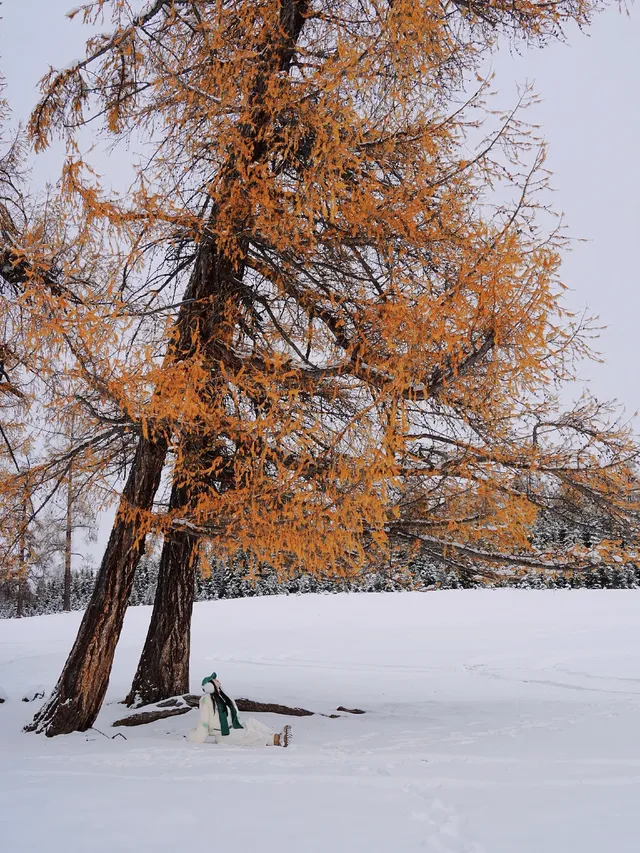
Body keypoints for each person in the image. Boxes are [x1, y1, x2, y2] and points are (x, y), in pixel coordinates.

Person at [188, 672, 292, 747]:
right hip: (223, 735)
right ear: (209, 686)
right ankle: (276, 740)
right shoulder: (206, 700)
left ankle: (275, 734)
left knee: (251, 722)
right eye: (214, 679)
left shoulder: (222, 696)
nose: (217, 680)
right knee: (250, 733)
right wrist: (195, 736)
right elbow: (204, 723)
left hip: (233, 727)